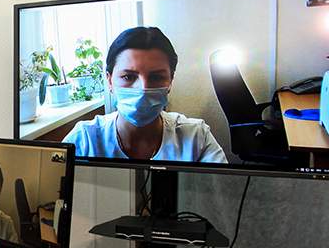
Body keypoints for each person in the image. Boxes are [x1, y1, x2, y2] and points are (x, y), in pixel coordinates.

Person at [63, 27, 227, 163]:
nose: (143, 89)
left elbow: (221, 191)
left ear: (170, 81)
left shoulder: (196, 138)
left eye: (156, 77)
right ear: (110, 81)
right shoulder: (84, 140)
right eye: (128, 77)